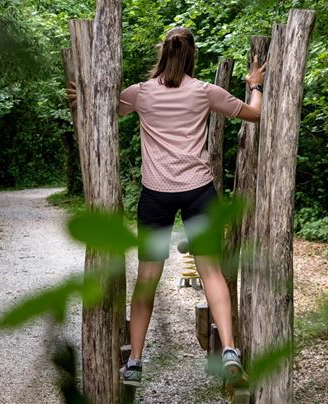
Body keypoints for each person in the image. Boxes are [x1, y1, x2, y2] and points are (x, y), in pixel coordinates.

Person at [68, 26, 265, 389]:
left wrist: (78, 96)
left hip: (156, 196)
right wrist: (254, 84)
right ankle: (230, 351)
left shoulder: (140, 94)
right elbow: (255, 115)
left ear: (163, 53)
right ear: (192, 56)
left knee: (147, 278)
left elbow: (98, 112)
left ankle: (136, 362)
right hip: (199, 193)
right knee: (211, 273)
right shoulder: (205, 92)